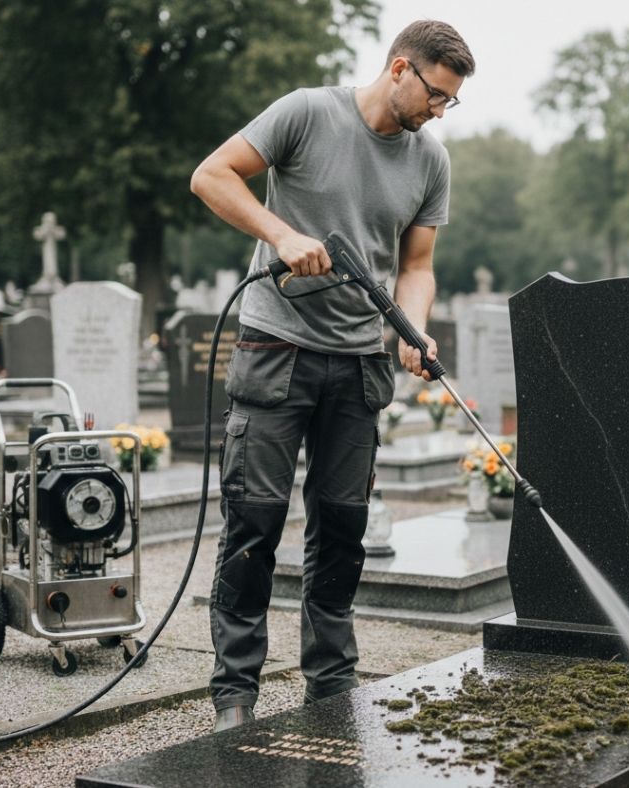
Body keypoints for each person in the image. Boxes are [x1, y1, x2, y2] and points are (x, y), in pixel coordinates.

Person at [190, 19, 475, 732]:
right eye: (436, 95)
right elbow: (210, 175)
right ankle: (236, 694)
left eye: (450, 102)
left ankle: (330, 685)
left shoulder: (430, 161)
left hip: (357, 363)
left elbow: (415, 268)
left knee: (342, 528)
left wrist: (411, 331)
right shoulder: (307, 112)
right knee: (254, 521)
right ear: (401, 68)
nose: (439, 111)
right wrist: (280, 234)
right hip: (275, 347)